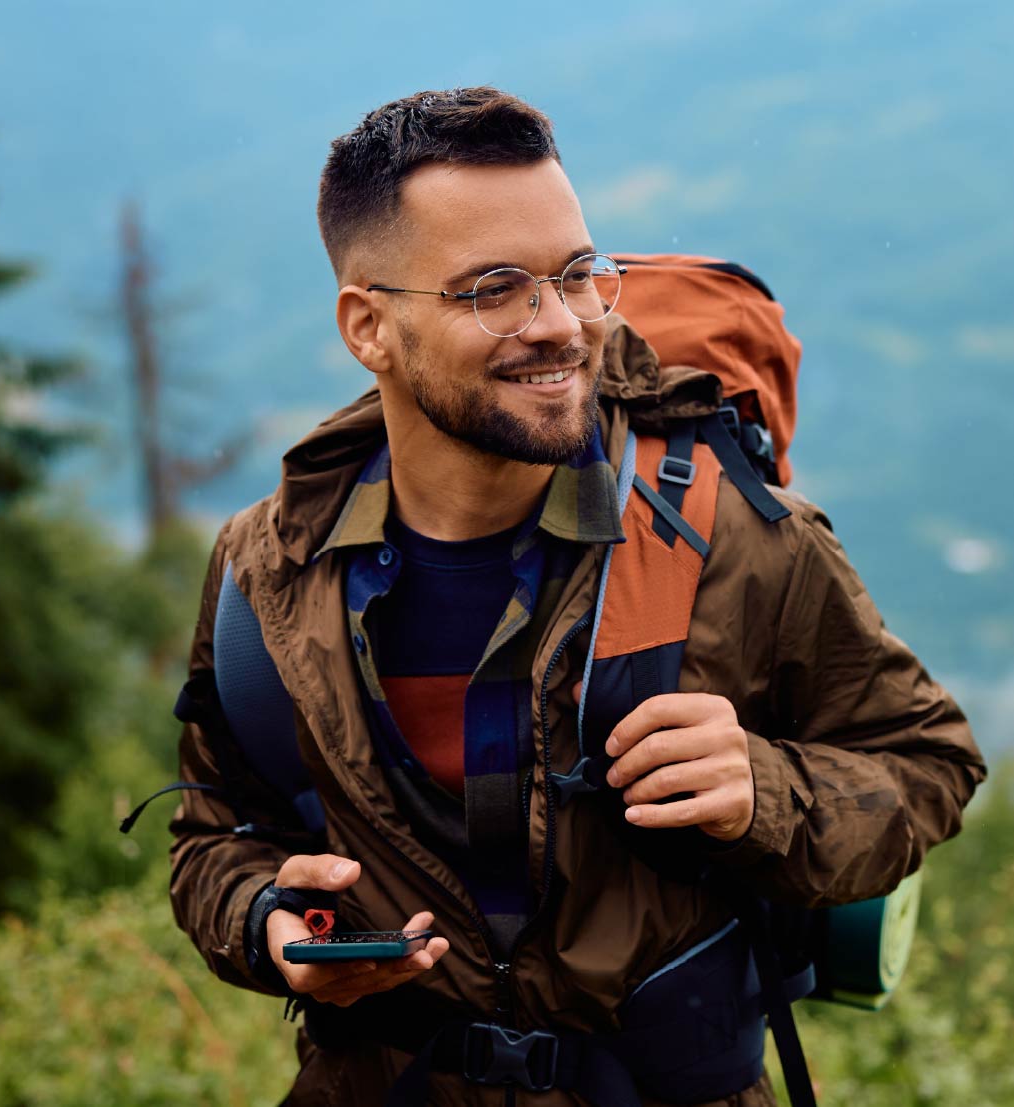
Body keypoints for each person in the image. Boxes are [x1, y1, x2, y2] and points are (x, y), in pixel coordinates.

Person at [167, 87, 985, 1106]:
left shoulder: (732, 535)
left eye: (577, 275)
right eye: (492, 289)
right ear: (368, 327)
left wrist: (764, 790)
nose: (558, 326)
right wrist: (263, 920)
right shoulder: (269, 571)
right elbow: (215, 832)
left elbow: (926, 763)